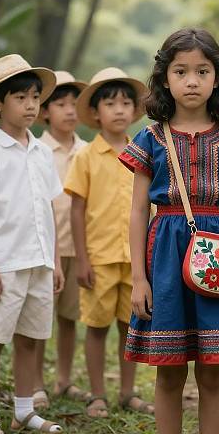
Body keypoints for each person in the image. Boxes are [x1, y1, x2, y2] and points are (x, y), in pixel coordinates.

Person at [119, 28, 219, 434]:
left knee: (214, 372)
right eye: (181, 71)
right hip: (163, 258)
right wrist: (137, 278)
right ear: (165, 78)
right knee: (168, 371)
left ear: (217, 77)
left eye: (202, 71)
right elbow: (136, 211)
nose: (192, 80)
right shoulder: (150, 138)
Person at [0, 54, 64, 433]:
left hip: (39, 262)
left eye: (35, 97)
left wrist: (54, 260)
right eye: (20, 97)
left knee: (29, 340)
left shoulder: (42, 153)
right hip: (3, 264)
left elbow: (48, 210)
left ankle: (24, 410)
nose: (31, 105)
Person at [64, 67, 154, 418]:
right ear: (96, 113)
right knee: (97, 327)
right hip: (99, 258)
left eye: (126, 103)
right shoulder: (85, 156)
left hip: (134, 260)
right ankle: (98, 393)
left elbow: (151, 206)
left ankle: (128, 391)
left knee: (130, 326)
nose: (119, 109)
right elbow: (76, 210)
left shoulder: (143, 150)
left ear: (134, 110)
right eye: (110, 103)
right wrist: (82, 260)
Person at [33, 71, 89, 409]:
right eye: (60, 104)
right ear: (44, 112)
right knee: (40, 318)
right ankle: (35, 382)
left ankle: (64, 379)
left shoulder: (87, 151)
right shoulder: (37, 149)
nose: (69, 111)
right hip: (43, 249)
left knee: (69, 317)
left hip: (78, 247)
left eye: (74, 105)